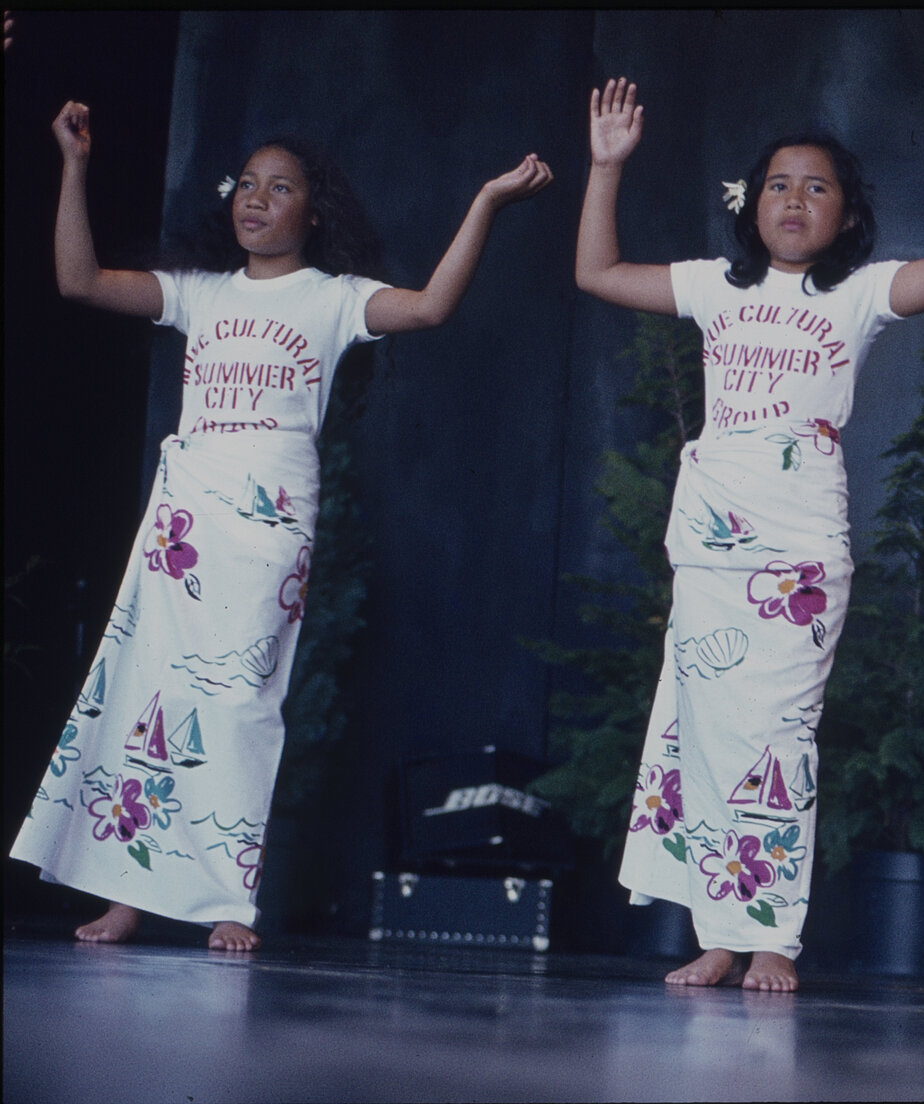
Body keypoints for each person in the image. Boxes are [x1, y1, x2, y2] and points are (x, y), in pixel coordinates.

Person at [10, 100, 552, 951]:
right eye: (247, 185)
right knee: (148, 694)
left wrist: (484, 201)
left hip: (266, 524)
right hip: (183, 521)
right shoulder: (198, 292)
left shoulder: (334, 299)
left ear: (314, 210)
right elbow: (79, 281)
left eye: (280, 187)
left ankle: (229, 896)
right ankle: (126, 891)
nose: (256, 200)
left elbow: (432, 308)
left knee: (239, 703)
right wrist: (74, 167)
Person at [575, 71, 924, 991]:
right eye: (778, 184)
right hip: (712, 541)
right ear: (751, 206)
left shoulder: (858, 294)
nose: (794, 199)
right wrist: (606, 168)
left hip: (798, 547)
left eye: (816, 187)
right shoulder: (715, 288)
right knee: (702, 732)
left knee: (777, 733)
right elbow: (596, 273)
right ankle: (717, 933)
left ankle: (772, 939)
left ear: (846, 215)